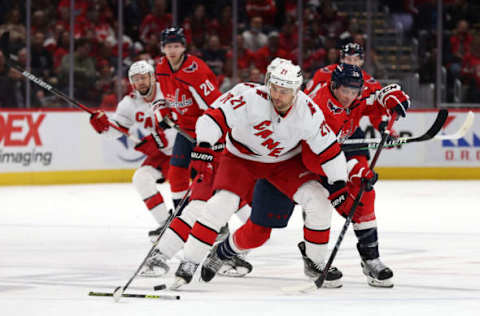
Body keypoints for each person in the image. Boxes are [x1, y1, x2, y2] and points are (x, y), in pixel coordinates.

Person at [170, 59, 351, 290]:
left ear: (296, 90)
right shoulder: (247, 95)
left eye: (284, 91)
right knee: (221, 204)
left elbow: (330, 150)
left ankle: (315, 262)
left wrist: (338, 183)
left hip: (284, 164)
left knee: (312, 203)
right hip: (240, 159)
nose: (277, 95)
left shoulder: (308, 111)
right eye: (274, 87)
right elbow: (212, 117)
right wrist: (205, 144)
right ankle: (189, 261)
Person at [310, 63, 410, 287]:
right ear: (334, 85)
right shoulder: (321, 110)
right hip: (309, 164)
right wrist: (356, 170)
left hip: (336, 156)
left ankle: (371, 259)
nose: (349, 96)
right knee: (315, 207)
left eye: (354, 91)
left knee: (365, 197)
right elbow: (325, 156)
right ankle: (314, 260)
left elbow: (372, 101)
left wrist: (388, 103)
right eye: (345, 91)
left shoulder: (351, 92)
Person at [89, 60, 176, 237]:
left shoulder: (169, 91)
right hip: (164, 153)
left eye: (144, 78)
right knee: (141, 178)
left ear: (152, 77)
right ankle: (166, 224)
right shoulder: (129, 103)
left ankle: (217, 225)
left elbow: (184, 124)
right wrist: (104, 126)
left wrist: (160, 140)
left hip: (186, 148)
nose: (140, 82)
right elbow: (117, 129)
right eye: (136, 79)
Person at [155, 26, 222, 214]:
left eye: (176, 46)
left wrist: (209, 138)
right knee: (176, 172)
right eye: (169, 47)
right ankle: (180, 216)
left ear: (184, 47)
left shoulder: (196, 71)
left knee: (208, 177)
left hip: (207, 131)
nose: (172, 51)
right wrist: (162, 110)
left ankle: (218, 221)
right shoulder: (161, 67)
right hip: (184, 129)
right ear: (162, 48)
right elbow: (162, 94)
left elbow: (215, 106)